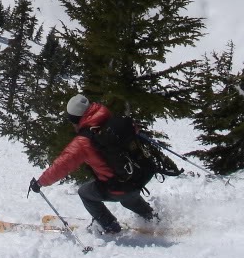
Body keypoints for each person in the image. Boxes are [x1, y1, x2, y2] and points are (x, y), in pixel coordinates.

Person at [28, 93, 156, 235]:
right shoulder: (110, 119)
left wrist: (40, 182)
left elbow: (62, 165)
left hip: (120, 185)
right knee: (128, 195)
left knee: (85, 193)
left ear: (75, 119)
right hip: (138, 175)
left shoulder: (83, 141)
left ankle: (110, 226)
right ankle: (152, 218)